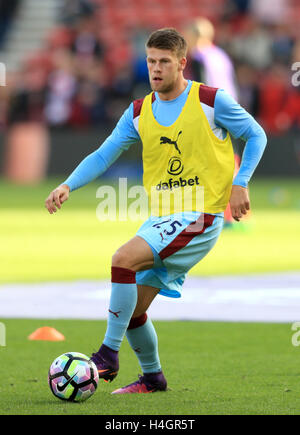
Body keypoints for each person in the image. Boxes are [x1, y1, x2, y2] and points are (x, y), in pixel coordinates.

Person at [45, 28, 267, 394]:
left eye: (164, 61)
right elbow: (104, 154)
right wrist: (68, 184)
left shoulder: (212, 100)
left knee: (122, 258)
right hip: (162, 219)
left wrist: (240, 183)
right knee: (131, 311)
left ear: (182, 63)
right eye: (151, 61)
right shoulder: (139, 111)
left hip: (200, 216)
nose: (156, 69)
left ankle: (107, 355)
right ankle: (153, 378)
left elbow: (256, 134)